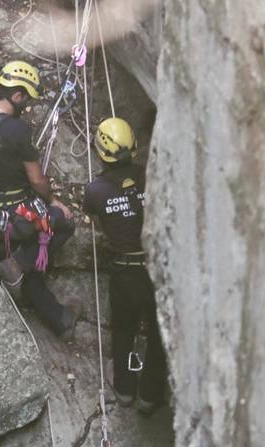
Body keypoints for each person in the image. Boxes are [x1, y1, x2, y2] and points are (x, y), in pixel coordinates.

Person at [0, 60, 81, 340]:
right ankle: (20, 262)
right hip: (17, 222)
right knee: (63, 222)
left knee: (24, 268)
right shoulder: (18, 132)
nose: (26, 106)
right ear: (17, 95)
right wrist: (54, 201)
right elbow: (36, 180)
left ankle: (61, 320)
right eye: (26, 99)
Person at [83, 117, 168, 413]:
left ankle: (124, 389)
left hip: (124, 271)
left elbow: (99, 222)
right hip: (157, 268)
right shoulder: (151, 176)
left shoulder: (95, 191)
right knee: (158, 331)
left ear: (100, 152)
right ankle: (150, 394)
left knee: (124, 329)